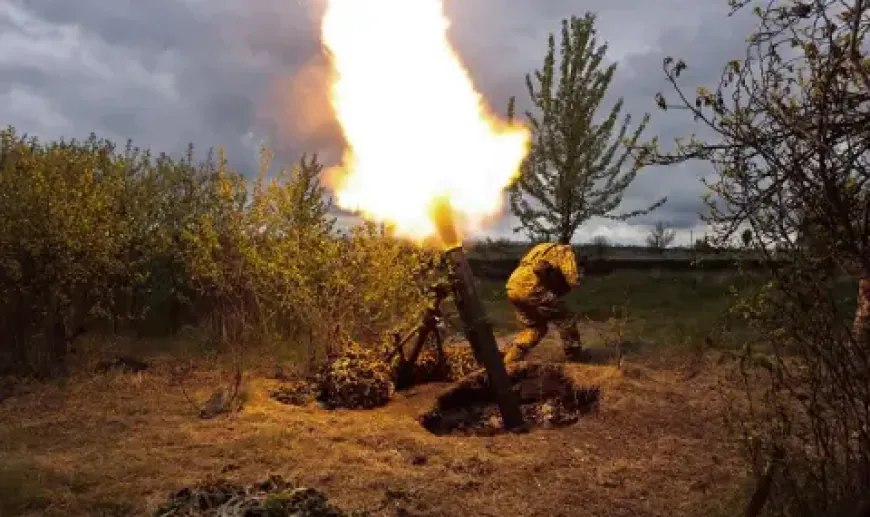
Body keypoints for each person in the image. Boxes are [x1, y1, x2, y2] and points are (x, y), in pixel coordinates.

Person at [502, 242, 587, 363]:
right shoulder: (566, 251)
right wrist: (580, 277)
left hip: (513, 286)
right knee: (566, 317)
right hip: (533, 289)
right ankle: (575, 357)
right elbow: (573, 279)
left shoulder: (542, 248)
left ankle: (510, 360)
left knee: (536, 328)